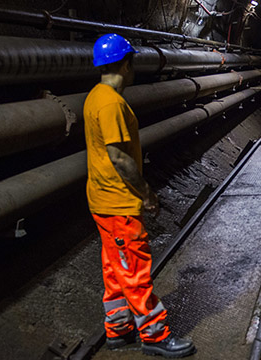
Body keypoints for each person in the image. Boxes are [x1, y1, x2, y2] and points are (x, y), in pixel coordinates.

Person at [84, 33, 195, 357]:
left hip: (102, 201)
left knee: (115, 269)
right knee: (134, 271)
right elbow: (119, 158)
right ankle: (155, 335)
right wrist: (146, 193)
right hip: (119, 203)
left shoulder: (94, 96)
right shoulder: (112, 104)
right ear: (126, 64)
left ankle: (118, 329)